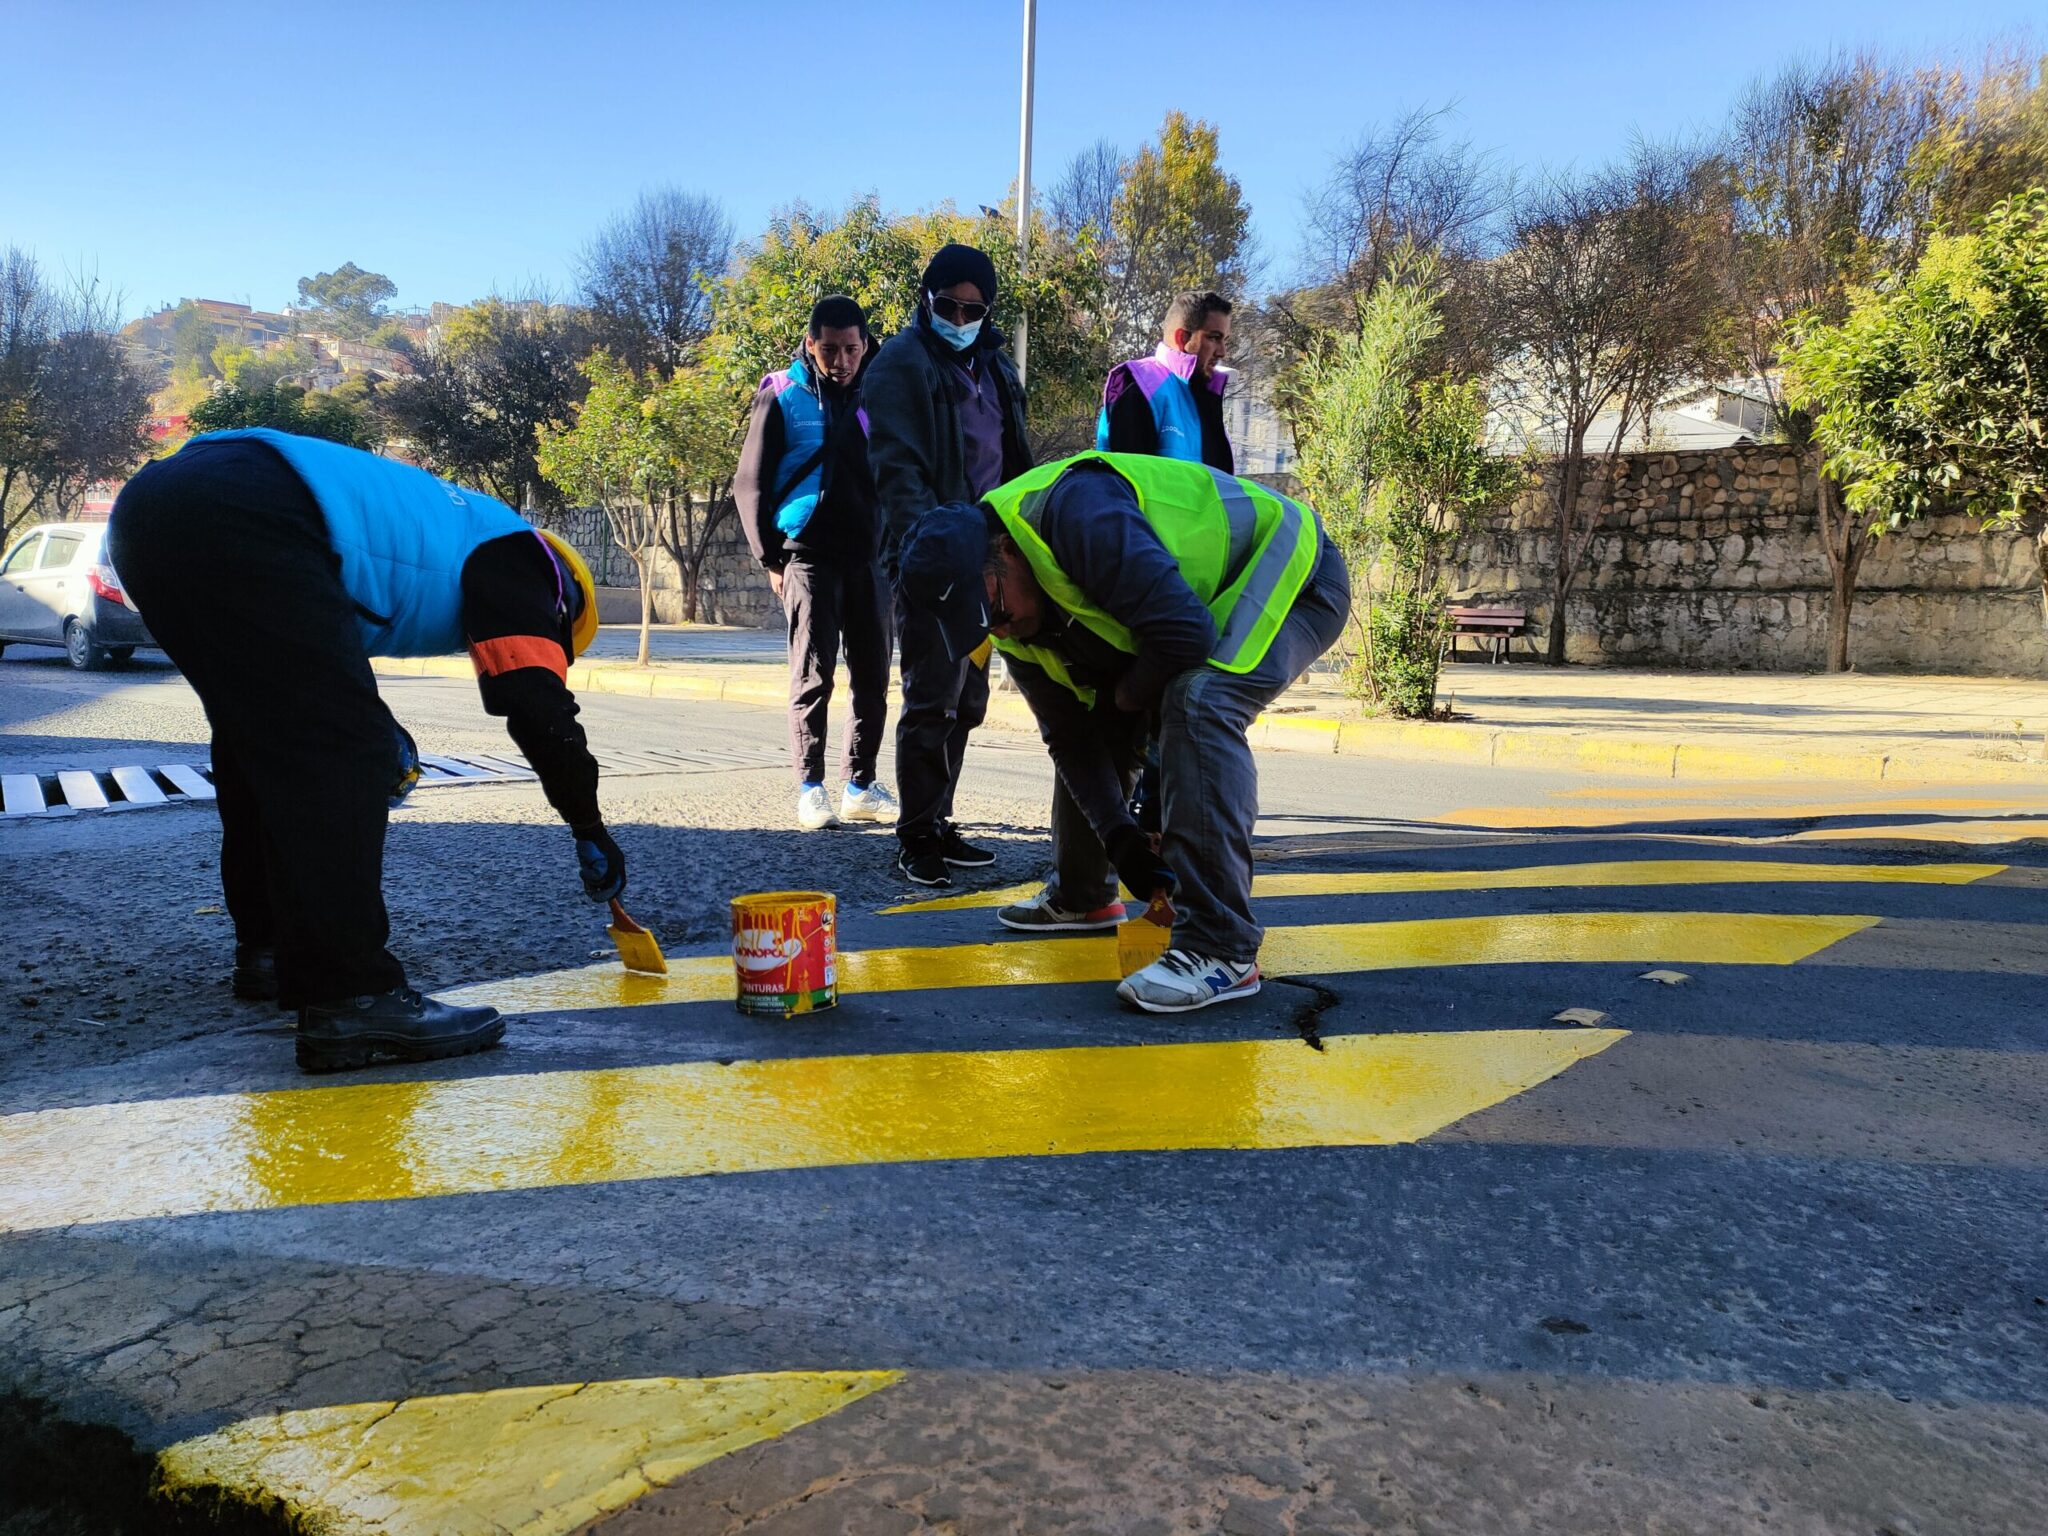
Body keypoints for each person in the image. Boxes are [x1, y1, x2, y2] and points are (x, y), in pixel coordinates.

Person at [107, 427, 627, 1072]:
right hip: (252, 504)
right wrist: (589, 824)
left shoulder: (441, 535)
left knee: (260, 738)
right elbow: (536, 705)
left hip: (153, 508)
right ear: (565, 599)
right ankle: (351, 997)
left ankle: (271, 951)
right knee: (339, 750)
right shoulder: (523, 560)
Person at [896, 451, 1349, 1014]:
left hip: (1289, 567)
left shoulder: (1079, 516)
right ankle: (1083, 896)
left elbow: (1185, 636)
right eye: (980, 623)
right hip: (1191, 614)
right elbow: (1068, 737)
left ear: (1006, 552)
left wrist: (1126, 700)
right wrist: (1121, 840)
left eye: (993, 606)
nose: (999, 628)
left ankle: (1221, 948)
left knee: (1198, 699)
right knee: (1093, 724)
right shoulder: (1007, 613)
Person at [865, 242, 1033, 887]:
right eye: (947, 305)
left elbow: (1014, 458)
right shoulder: (900, 363)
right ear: (925, 300)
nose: (960, 317)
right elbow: (897, 469)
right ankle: (916, 835)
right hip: (936, 558)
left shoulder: (996, 366)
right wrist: (930, 551)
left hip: (991, 560)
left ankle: (941, 821)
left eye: (973, 308)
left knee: (967, 701)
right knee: (931, 699)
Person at [736, 295, 898, 832]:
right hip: (807, 557)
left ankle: (860, 784)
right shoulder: (781, 395)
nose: (841, 359)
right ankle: (810, 787)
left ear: (865, 345)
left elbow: (896, 473)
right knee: (813, 675)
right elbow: (751, 482)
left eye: (851, 348)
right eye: (829, 349)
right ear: (811, 345)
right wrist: (770, 559)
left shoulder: (881, 393)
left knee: (873, 675)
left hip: (870, 559)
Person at [1096, 291, 1235, 471]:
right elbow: (1128, 484)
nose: (1222, 352)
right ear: (1182, 338)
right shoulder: (1140, 385)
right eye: (1214, 338)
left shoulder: (1205, 396)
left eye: (1225, 340)